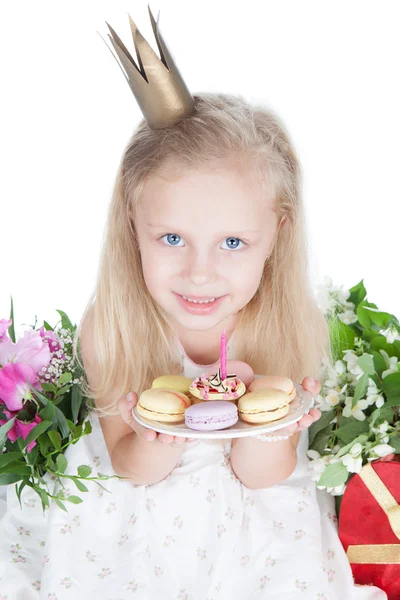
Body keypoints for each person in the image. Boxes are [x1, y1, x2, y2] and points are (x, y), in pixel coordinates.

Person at [0, 8, 387, 600]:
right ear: (133, 226)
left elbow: (263, 479)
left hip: (251, 516)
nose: (200, 273)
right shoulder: (114, 328)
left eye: (233, 243)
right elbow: (129, 468)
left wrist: (270, 434)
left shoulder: (286, 323)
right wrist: (158, 439)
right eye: (172, 238)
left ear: (276, 233)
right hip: (139, 507)